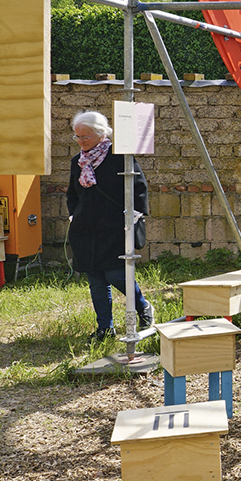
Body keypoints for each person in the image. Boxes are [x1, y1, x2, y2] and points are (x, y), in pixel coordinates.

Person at [66, 110, 155, 340]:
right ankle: (105, 328)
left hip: (115, 227)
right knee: (96, 281)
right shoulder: (77, 161)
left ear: (101, 134)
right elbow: (72, 194)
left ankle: (143, 307)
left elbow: (139, 187)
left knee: (116, 275)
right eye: (77, 137)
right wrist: (73, 216)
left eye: (85, 137)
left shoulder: (120, 157)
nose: (81, 142)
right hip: (86, 230)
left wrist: (133, 216)